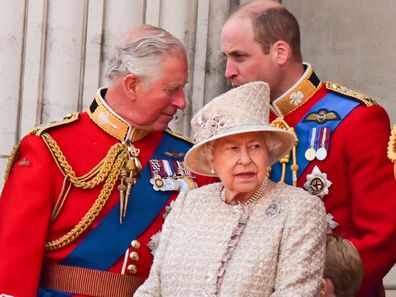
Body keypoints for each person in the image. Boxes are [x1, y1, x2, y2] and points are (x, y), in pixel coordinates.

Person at [0, 24, 213, 297]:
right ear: (132, 85)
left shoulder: (191, 158)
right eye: (172, 89)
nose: (182, 101)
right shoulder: (50, 148)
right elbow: (12, 263)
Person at [221, 1, 396, 296]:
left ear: (280, 52)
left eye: (239, 56)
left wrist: (330, 284)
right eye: (226, 57)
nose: (228, 71)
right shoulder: (238, 122)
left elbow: (384, 232)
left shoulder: (357, 118)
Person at [134, 81, 327, 297]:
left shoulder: (299, 209)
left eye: (255, 146)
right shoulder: (189, 202)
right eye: (233, 149)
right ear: (212, 159)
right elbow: (154, 286)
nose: (245, 160)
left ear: (268, 152)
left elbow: (296, 292)